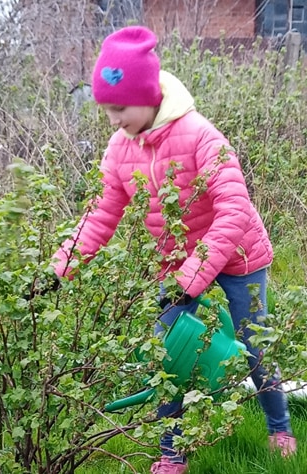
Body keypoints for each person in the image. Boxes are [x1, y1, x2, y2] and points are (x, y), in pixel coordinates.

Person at [49, 26, 296, 473]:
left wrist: (193, 278)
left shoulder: (200, 135)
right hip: (177, 262)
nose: (113, 120)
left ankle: (279, 428)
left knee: (256, 344)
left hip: (238, 253)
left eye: (119, 109)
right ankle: (172, 454)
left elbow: (235, 208)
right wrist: (60, 266)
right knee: (165, 355)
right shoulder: (119, 149)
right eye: (107, 110)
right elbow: (100, 213)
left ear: (146, 96)